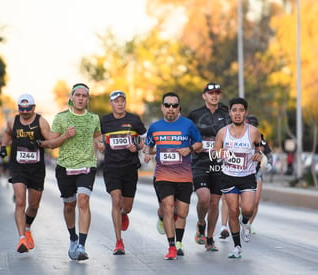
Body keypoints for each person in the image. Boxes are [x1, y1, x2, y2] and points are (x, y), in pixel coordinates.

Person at [47, 83, 103, 261]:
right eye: (77, 95)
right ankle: (73, 238)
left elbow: (98, 137)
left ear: (88, 99)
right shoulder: (61, 118)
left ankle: (81, 246)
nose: (80, 98)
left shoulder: (94, 118)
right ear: (71, 98)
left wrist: (100, 144)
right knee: (69, 205)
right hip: (65, 167)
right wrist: (64, 136)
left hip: (87, 165)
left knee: (83, 200)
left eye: (84, 96)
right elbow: (51, 143)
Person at [143, 92, 202, 260]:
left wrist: (190, 149)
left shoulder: (188, 125)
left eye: (174, 106)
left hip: (184, 176)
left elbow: (199, 144)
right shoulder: (155, 127)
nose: (171, 108)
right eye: (167, 105)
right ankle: (171, 247)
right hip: (163, 175)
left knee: (181, 212)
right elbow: (148, 146)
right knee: (168, 207)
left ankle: (179, 241)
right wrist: (147, 154)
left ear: (179, 108)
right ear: (162, 107)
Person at [0, 93, 56, 253]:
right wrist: (3, 147)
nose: (24, 112)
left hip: (36, 169)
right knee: (19, 201)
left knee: (33, 205)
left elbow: (50, 139)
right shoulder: (13, 121)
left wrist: (49, 140)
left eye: (28, 109)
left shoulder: (41, 122)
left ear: (34, 108)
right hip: (18, 167)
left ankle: (28, 227)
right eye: (21, 109)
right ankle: (21, 238)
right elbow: (7, 133)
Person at [212, 97, 263, 259]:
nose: (238, 113)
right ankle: (237, 247)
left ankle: (246, 222)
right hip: (228, 176)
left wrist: (258, 153)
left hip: (247, 176)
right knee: (233, 211)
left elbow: (260, 146)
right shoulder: (223, 132)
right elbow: (214, 152)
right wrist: (220, 153)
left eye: (241, 110)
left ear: (245, 113)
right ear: (230, 113)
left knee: (247, 209)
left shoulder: (253, 131)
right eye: (234, 110)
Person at [100, 90, 147, 255]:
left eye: (122, 101)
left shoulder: (134, 119)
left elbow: (145, 138)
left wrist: (138, 145)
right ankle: (119, 241)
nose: (120, 104)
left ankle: (124, 214)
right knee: (116, 199)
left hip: (129, 167)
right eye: (116, 101)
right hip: (111, 167)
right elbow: (94, 137)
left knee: (126, 207)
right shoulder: (104, 121)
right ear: (111, 103)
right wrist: (98, 144)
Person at [187, 82, 231, 251]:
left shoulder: (226, 115)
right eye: (210, 93)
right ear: (203, 95)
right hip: (199, 163)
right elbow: (187, 135)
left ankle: (210, 238)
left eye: (217, 93)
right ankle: (200, 223)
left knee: (214, 202)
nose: (214, 96)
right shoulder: (194, 115)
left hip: (219, 165)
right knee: (203, 198)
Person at [245, 115, 273, 233]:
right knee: (244, 203)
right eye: (250, 124)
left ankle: (249, 224)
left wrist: (269, 164)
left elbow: (269, 155)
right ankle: (242, 219)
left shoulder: (261, 139)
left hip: (257, 173)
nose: (252, 127)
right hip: (243, 172)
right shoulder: (241, 137)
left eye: (255, 125)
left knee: (255, 201)